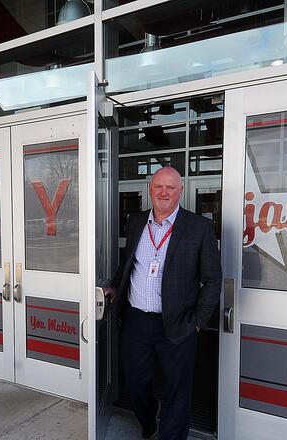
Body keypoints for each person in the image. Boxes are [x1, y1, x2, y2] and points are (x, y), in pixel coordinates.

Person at [108, 166, 222, 440]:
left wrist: (196, 322)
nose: (164, 192)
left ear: (180, 192)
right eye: (158, 186)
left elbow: (213, 280)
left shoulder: (198, 227)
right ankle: (148, 418)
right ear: (150, 189)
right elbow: (127, 264)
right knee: (135, 382)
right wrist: (114, 286)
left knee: (177, 391)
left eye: (170, 187)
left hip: (179, 323)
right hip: (136, 321)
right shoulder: (135, 222)